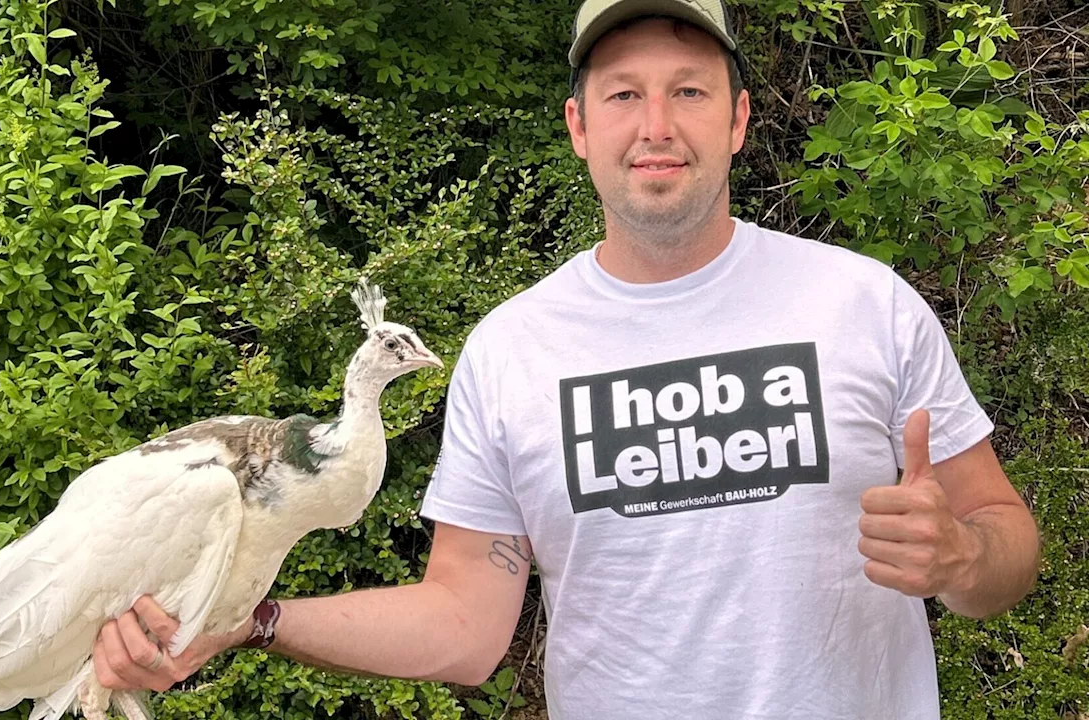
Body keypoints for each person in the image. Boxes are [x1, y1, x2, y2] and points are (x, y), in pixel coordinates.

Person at [91, 0, 1042, 716]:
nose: (657, 124)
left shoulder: (863, 302)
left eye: (689, 92)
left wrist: (961, 556)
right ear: (580, 127)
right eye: (624, 94)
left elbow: (1007, 544)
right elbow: (463, 627)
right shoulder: (512, 350)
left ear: (739, 119)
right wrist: (252, 619)